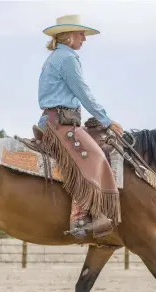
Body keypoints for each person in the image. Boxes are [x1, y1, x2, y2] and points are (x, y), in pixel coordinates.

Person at [37, 14, 123, 239]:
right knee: (94, 157)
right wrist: (106, 120)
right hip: (61, 124)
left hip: (55, 120)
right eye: (80, 34)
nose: (84, 38)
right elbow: (83, 92)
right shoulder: (67, 58)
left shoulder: (56, 57)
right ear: (67, 36)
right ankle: (80, 218)